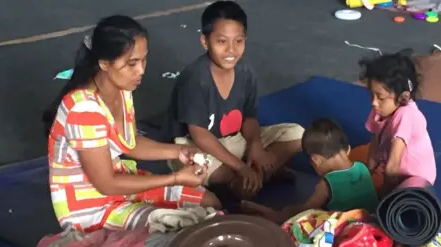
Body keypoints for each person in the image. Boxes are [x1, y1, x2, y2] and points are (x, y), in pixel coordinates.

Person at [42, 15, 221, 233]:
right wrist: (174, 178)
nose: (142, 70)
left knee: (209, 203)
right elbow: (106, 184)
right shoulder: (84, 109)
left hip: (119, 187)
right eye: (132, 63)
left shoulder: (122, 89)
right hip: (92, 209)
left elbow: (130, 143)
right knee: (181, 228)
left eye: (143, 60)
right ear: (104, 64)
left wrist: (180, 151)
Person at [167, 1, 303, 199]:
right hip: (196, 147)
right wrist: (240, 166)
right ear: (205, 42)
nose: (231, 50)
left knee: (297, 134)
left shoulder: (246, 73)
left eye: (238, 41)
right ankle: (254, 175)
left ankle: (251, 176)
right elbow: (200, 135)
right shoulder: (194, 78)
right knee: (198, 167)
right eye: (222, 42)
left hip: (234, 140)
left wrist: (256, 146)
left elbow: (249, 118)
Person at [242, 119, 378, 224]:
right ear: (348, 149)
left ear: (316, 160)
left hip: (343, 227)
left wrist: (287, 212)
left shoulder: (327, 183)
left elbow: (306, 210)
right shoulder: (362, 167)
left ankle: (269, 215)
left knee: (295, 214)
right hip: (371, 222)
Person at [360, 49, 436, 197]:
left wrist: (382, 196)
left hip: (416, 180)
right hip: (390, 165)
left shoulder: (406, 115)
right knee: (357, 166)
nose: (374, 102)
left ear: (403, 97)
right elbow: (375, 139)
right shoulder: (380, 108)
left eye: (380, 97)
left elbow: (392, 168)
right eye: (372, 95)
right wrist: (368, 174)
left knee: (391, 205)